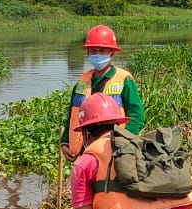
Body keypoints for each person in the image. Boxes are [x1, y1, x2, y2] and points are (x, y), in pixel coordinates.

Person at [60, 24, 145, 162]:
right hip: (87, 152)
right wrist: (65, 143)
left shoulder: (124, 80)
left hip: (115, 150)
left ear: (111, 53)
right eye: (93, 50)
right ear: (87, 53)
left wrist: (122, 142)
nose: (97, 54)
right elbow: (72, 116)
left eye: (102, 50)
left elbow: (137, 116)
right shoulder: (82, 83)